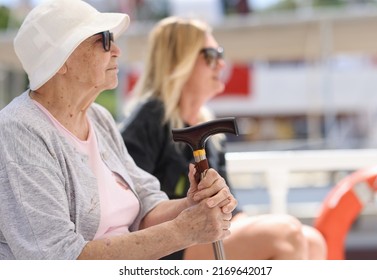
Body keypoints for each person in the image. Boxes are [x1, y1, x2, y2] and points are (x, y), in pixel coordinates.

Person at [0, 0, 237, 260]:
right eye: (103, 40)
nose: (116, 50)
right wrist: (182, 231)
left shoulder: (98, 118)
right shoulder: (19, 130)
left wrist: (192, 204)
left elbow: (146, 205)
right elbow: (57, 259)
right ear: (61, 60)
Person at [120, 16, 327, 260]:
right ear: (179, 61)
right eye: (211, 55)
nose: (221, 64)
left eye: (221, 54)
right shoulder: (149, 120)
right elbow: (131, 210)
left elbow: (231, 206)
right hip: (169, 246)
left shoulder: (209, 128)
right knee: (285, 233)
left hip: (209, 232)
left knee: (313, 241)